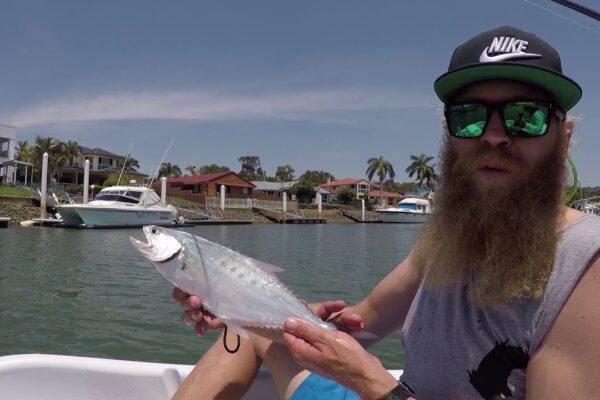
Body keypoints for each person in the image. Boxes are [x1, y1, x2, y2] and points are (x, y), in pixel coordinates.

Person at [170, 25, 600, 400]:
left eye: (525, 116)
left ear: (563, 136)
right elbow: (362, 325)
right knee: (243, 333)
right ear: (450, 135)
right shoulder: (448, 241)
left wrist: (374, 386)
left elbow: (369, 378)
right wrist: (237, 303)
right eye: (469, 117)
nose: (493, 135)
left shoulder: (585, 265)